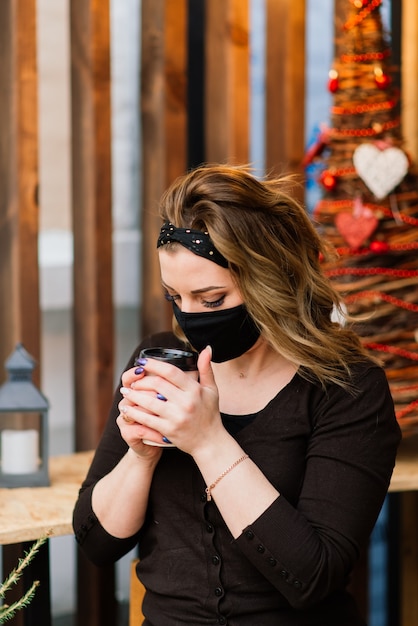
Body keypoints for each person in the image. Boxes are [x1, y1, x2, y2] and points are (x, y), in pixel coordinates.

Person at [73, 164, 401, 626]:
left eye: (211, 300)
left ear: (269, 281)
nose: (189, 318)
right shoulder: (159, 362)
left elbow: (312, 577)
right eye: (175, 297)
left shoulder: (347, 388)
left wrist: (208, 442)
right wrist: (141, 456)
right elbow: (96, 543)